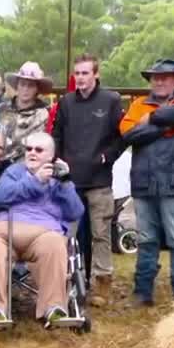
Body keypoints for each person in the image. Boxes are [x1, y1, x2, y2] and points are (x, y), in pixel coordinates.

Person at [119, 58, 174, 307]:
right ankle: (142, 292)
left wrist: (151, 118)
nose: (158, 81)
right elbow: (128, 134)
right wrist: (166, 125)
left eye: (164, 77)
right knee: (146, 239)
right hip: (144, 181)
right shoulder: (137, 104)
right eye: (154, 77)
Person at [0, 132, 84, 328]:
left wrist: (66, 183)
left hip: (43, 233)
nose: (31, 153)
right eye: (28, 149)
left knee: (56, 243)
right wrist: (35, 181)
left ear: (51, 156)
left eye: (38, 150)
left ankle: (53, 309)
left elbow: (75, 212)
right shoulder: (14, 171)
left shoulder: (60, 179)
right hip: (5, 230)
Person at [51, 54, 125, 306]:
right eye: (77, 73)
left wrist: (107, 157)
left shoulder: (111, 100)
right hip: (71, 179)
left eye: (85, 73)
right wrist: (58, 160)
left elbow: (121, 137)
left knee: (100, 233)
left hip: (99, 179)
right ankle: (75, 279)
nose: (80, 78)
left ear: (96, 74)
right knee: (71, 234)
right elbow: (56, 134)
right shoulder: (66, 102)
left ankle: (103, 282)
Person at [0, 62, 53, 164]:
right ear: (17, 86)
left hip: (27, 165)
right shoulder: (2, 109)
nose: (25, 89)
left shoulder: (45, 114)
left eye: (31, 85)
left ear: (37, 89)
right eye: (22, 84)